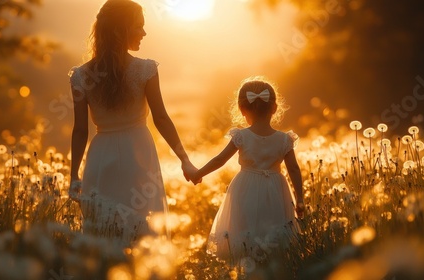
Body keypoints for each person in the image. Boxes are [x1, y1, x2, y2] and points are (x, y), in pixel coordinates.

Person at [68, 0, 197, 240]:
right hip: (138, 153)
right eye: (138, 26)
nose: (144, 32)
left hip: (100, 157)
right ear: (120, 30)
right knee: (141, 227)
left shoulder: (81, 76)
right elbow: (161, 118)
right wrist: (185, 160)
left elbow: (80, 131)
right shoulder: (146, 69)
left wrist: (74, 176)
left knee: (103, 231)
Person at [191, 76, 304, 262]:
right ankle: (272, 268)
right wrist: (299, 199)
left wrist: (198, 173)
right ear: (274, 108)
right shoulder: (285, 139)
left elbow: (220, 159)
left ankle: (246, 267)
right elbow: (294, 169)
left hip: (245, 189)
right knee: (275, 232)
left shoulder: (241, 136)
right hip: (277, 190)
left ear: (242, 110)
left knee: (244, 231)